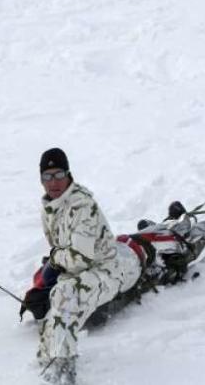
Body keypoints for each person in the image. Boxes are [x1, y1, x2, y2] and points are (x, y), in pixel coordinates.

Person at [33, 147, 145, 385]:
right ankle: (46, 365)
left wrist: (55, 263)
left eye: (59, 174)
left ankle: (64, 370)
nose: (53, 182)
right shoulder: (49, 208)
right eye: (47, 176)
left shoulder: (81, 206)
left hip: (112, 269)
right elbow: (62, 250)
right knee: (52, 311)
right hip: (84, 271)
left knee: (65, 294)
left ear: (68, 174)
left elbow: (79, 259)